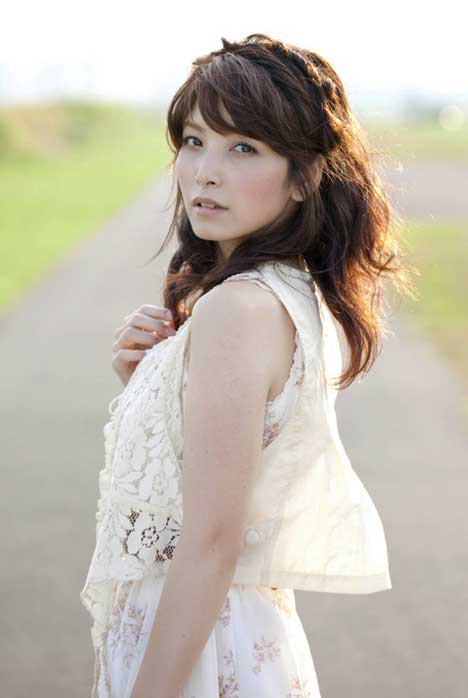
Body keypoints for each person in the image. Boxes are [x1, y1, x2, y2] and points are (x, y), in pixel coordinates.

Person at [80, 33, 416, 698]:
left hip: (202, 648)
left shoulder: (239, 308)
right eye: (195, 140)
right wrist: (154, 388)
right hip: (224, 633)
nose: (205, 171)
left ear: (305, 176)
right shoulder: (288, 290)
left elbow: (211, 542)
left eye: (243, 148)